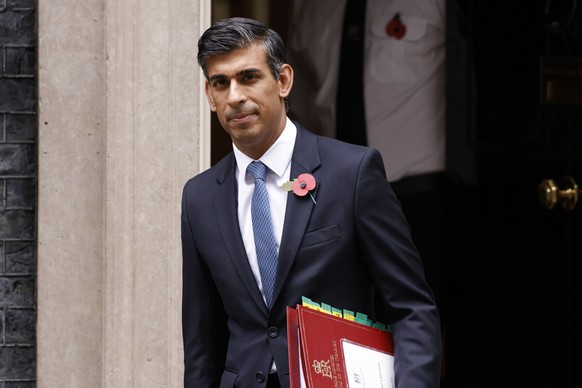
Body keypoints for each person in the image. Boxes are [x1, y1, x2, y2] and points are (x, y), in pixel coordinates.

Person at [181, 17, 441, 388]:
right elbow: (201, 340)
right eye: (221, 83)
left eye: (249, 77)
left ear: (283, 81)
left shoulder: (353, 172)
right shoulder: (199, 196)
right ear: (210, 95)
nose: (235, 96)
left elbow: (411, 307)